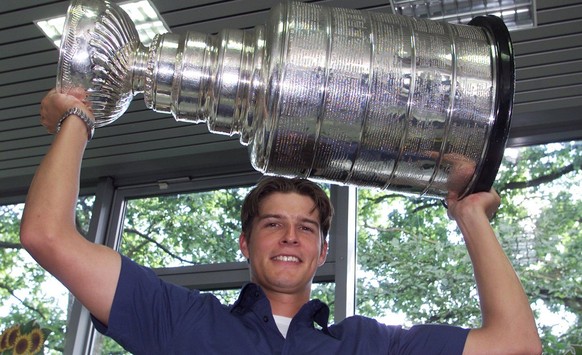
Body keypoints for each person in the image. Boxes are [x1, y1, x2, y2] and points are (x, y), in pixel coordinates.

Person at [20, 89, 542, 354]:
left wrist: (472, 216)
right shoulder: (182, 322)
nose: (291, 235)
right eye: (273, 224)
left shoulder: (371, 345)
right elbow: (46, 235)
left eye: (307, 227)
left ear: (322, 250)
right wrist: (77, 121)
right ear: (246, 243)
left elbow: (516, 345)